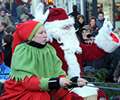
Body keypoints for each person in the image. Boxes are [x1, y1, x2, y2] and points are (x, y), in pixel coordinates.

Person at [35, 3, 120, 100]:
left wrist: (105, 35)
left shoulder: (72, 42)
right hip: (59, 87)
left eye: (69, 25)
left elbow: (90, 52)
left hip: (77, 83)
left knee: (101, 95)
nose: (68, 29)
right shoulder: (48, 46)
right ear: (53, 29)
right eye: (64, 26)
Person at [0, 20, 87, 100]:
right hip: (20, 90)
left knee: (62, 93)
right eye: (41, 33)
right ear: (31, 37)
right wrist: (55, 82)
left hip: (42, 86)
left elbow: (58, 74)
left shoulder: (49, 49)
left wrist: (74, 81)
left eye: (45, 32)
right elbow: (28, 82)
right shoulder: (22, 51)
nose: (45, 35)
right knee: (41, 96)